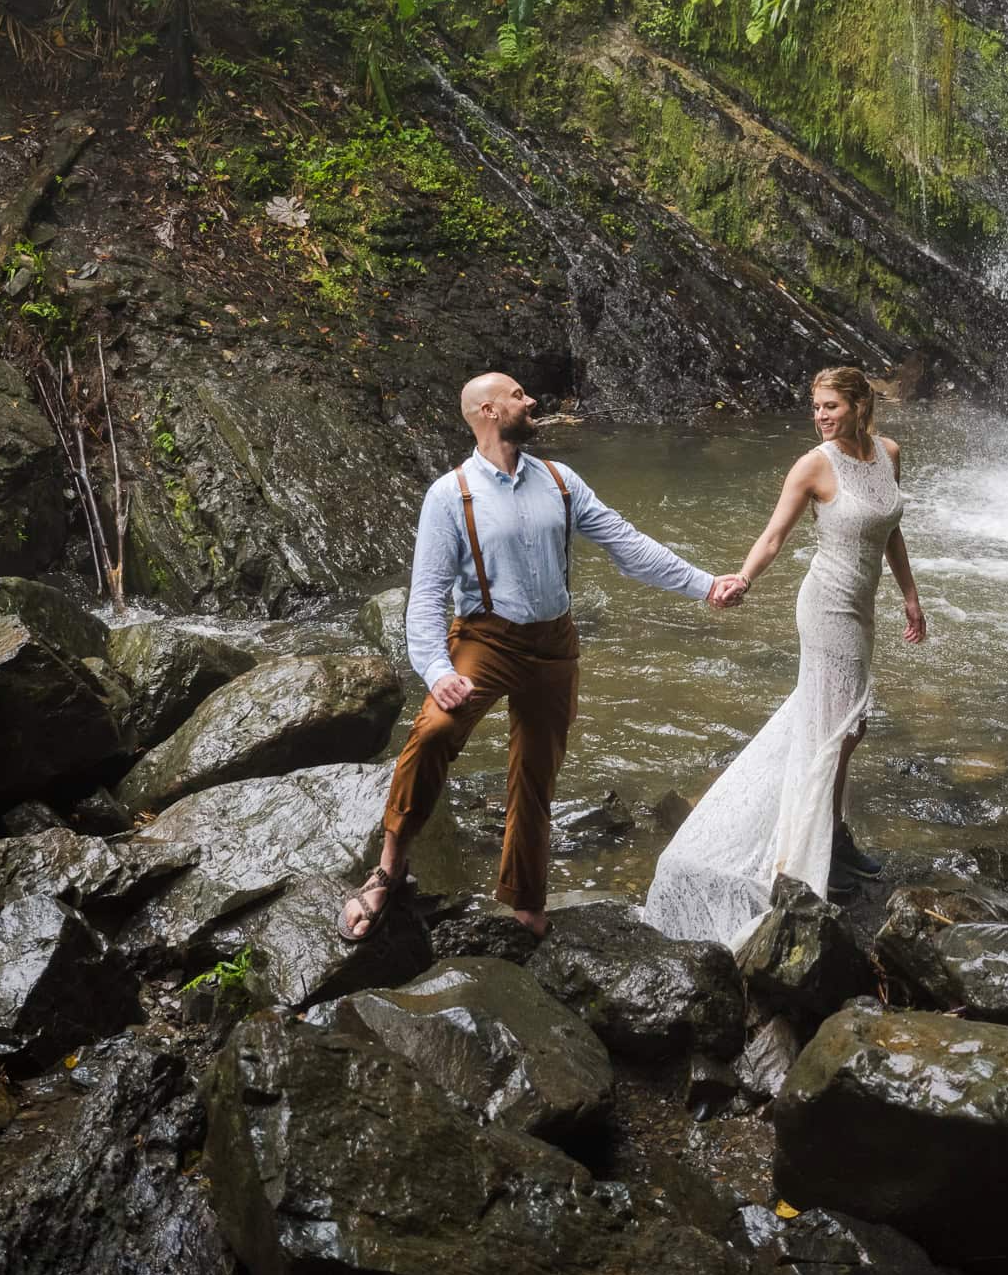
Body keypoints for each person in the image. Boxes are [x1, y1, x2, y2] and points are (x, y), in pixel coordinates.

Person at [339, 371, 747, 943]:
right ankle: (389, 867)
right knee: (433, 731)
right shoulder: (449, 495)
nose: (531, 401)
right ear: (487, 411)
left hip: (554, 643)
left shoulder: (560, 480)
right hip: (485, 640)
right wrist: (437, 671)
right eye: (518, 396)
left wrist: (704, 584)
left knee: (535, 774)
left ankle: (526, 902)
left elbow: (627, 545)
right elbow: (427, 595)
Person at [645, 365, 926, 945]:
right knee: (840, 723)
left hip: (864, 605)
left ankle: (834, 834)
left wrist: (910, 596)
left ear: (858, 404)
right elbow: (774, 534)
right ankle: (817, 848)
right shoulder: (814, 465)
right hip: (825, 604)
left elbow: (890, 528)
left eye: (830, 406)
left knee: (848, 724)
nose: (820, 416)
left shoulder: (889, 453)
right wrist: (743, 579)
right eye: (815, 407)